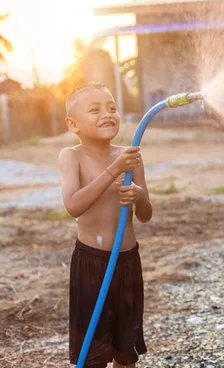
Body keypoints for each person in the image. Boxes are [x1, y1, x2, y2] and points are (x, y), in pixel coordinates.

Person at [58, 83, 152, 368]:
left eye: (112, 107)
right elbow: (73, 205)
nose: (107, 114)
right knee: (93, 352)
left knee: (126, 351)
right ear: (73, 124)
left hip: (127, 262)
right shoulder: (71, 156)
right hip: (92, 264)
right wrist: (114, 171)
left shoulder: (130, 155)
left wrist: (138, 195)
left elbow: (146, 215)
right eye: (95, 109)